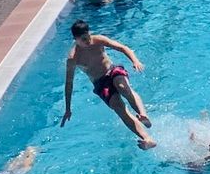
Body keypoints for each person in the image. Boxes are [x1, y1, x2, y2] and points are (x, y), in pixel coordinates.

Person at [62, 20, 156, 148]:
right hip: (100, 83)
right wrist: (68, 108)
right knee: (118, 107)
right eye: (83, 39)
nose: (88, 41)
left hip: (112, 71)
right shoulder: (73, 58)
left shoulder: (98, 40)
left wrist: (135, 61)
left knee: (122, 87)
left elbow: (122, 48)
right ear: (75, 39)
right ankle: (147, 139)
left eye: (88, 37)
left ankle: (143, 114)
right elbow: (69, 84)